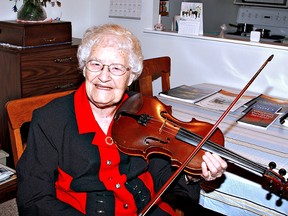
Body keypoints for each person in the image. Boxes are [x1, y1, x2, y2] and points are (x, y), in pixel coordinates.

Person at [16, 23, 227, 216]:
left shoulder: (147, 115)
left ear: (131, 76)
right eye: (96, 64)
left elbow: (163, 177)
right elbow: (34, 198)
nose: (104, 77)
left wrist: (192, 175)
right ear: (83, 68)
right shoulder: (50, 119)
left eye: (117, 68)